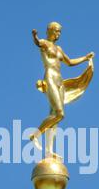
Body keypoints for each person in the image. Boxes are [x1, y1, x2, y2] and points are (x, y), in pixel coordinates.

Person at [30, 22, 95, 158]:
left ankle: (49, 151)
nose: (58, 34)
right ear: (50, 31)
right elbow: (37, 43)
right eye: (56, 31)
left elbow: (70, 62)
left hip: (60, 80)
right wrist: (34, 35)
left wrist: (85, 58)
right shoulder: (45, 43)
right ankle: (35, 134)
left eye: (60, 32)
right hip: (50, 78)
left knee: (55, 116)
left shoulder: (58, 49)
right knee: (60, 113)